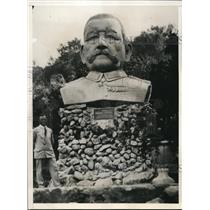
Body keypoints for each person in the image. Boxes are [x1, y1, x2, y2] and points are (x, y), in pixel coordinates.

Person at [60, 13, 152, 105]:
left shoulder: (140, 88)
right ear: (83, 54)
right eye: (92, 38)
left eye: (111, 37)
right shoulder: (69, 90)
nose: (101, 43)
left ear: (127, 51)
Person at [33, 115, 60, 188]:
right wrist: (37, 147)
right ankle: (40, 185)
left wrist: (49, 147)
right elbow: (32, 141)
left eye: (45, 119)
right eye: (42, 119)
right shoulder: (35, 130)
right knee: (39, 168)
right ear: (39, 121)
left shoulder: (49, 130)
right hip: (39, 151)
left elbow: (52, 141)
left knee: (54, 167)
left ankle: (56, 184)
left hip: (49, 150)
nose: (43, 121)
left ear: (46, 120)